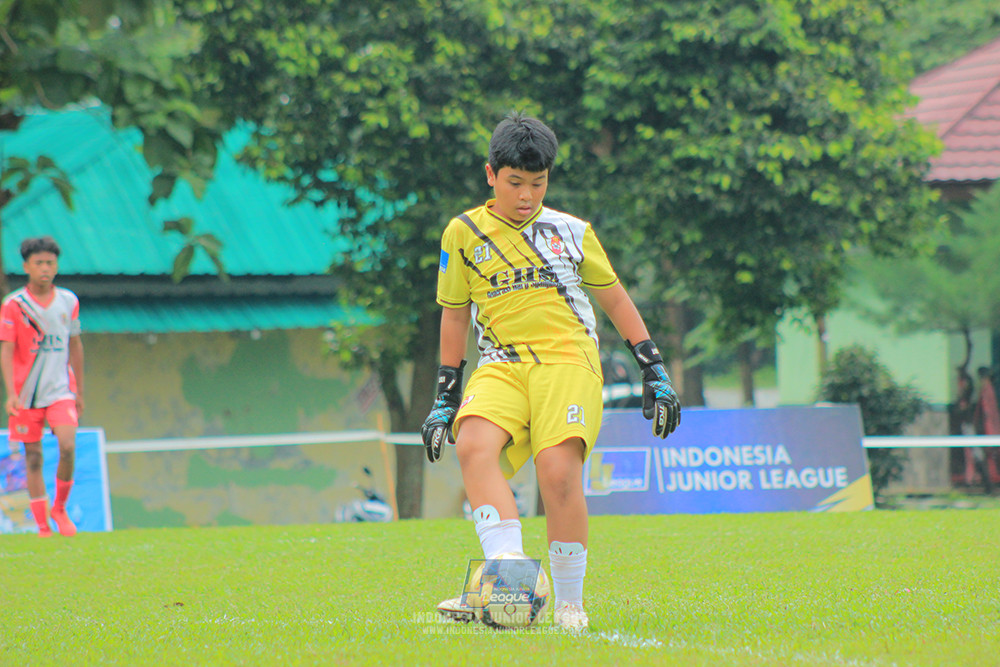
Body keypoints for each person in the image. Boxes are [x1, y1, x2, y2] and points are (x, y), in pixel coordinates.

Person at [420, 112, 681, 631]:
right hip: (501, 364)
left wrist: (653, 368)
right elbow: (453, 312)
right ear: (490, 174)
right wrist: (446, 393)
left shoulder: (571, 231)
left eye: (537, 184)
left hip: (568, 361)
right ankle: (511, 573)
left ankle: (567, 602)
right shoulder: (462, 233)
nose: (526, 196)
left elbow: (614, 298)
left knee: (558, 475)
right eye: (515, 183)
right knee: (472, 444)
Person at [0, 236, 85, 537]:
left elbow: (75, 345)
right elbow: (7, 350)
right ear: (26, 266)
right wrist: (10, 392)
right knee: (33, 456)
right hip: (26, 394)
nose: (45, 268)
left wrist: (80, 393)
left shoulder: (68, 301)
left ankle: (59, 508)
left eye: (50, 262)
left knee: (68, 446)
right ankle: (41, 526)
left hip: (61, 390)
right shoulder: (13, 305)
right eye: (39, 263)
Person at [971, 366, 1000, 493]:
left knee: (988, 456)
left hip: (988, 430)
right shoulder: (986, 390)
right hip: (986, 429)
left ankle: (990, 485)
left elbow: (989, 413)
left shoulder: (987, 391)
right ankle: (989, 484)